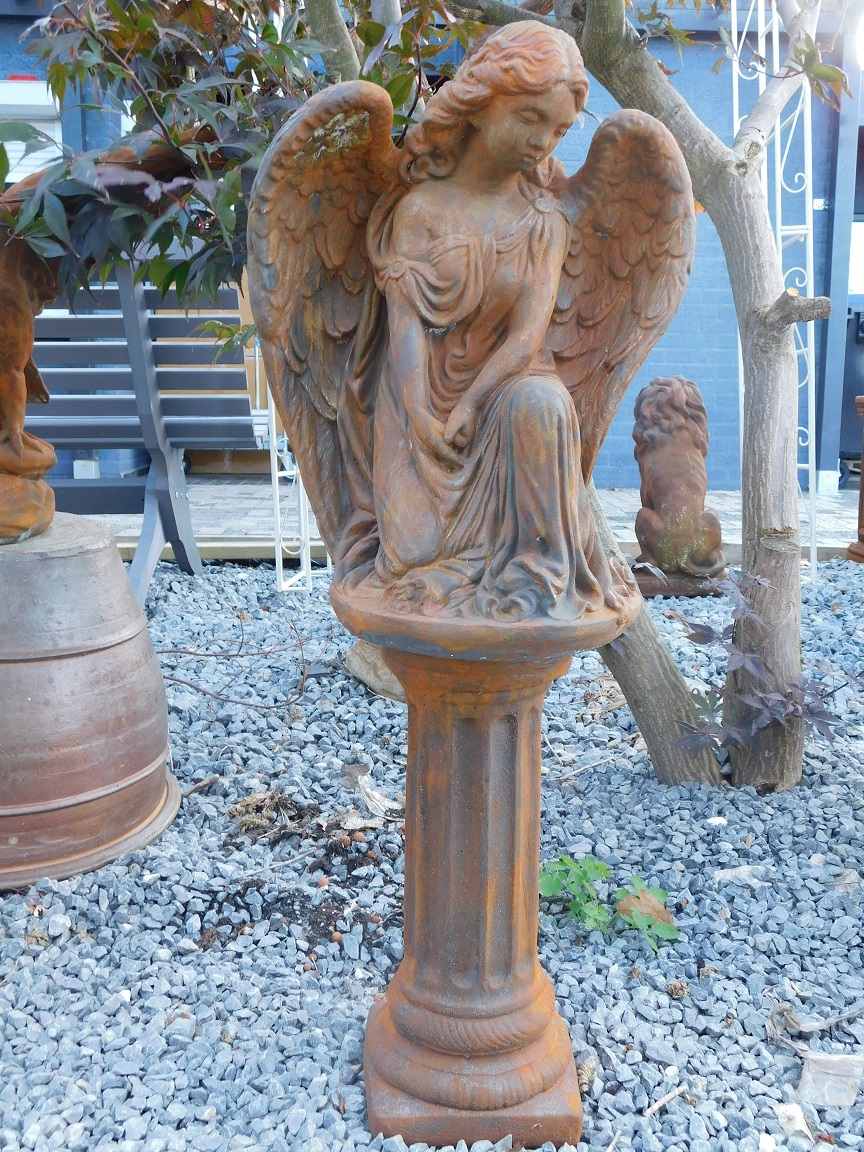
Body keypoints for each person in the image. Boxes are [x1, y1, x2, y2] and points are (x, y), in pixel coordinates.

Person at [359, 22, 630, 621]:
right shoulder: (420, 211)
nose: (542, 141)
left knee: (543, 402)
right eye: (530, 117)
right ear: (481, 104)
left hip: (503, 399)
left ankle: (535, 573)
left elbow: (527, 338)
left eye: (558, 130)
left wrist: (474, 402)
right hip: (418, 404)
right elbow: (405, 328)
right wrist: (422, 414)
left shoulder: (544, 222)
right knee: (415, 555)